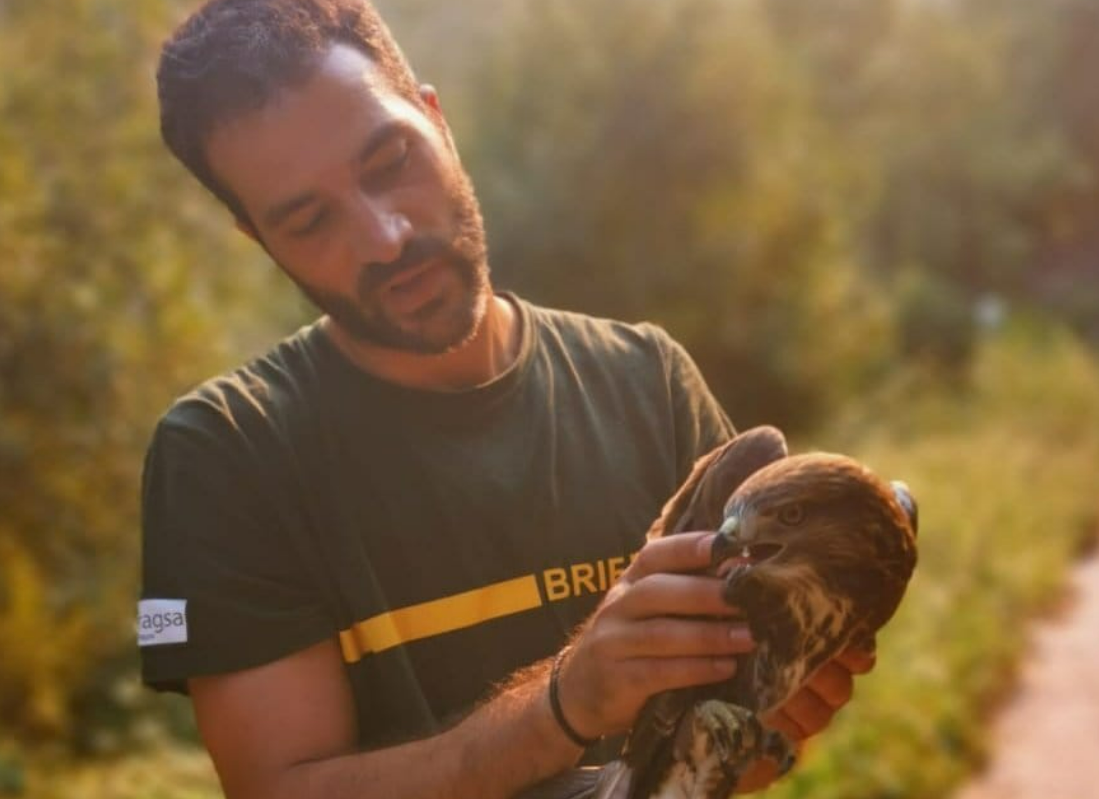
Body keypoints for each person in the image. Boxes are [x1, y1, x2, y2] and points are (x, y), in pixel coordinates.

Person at [138, 1, 874, 796]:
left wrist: (766, 717)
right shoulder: (224, 452)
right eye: (311, 220)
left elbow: (738, 732)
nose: (384, 237)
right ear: (257, 236)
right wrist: (566, 705)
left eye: (388, 161)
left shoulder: (649, 380)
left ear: (435, 117)